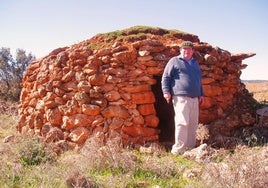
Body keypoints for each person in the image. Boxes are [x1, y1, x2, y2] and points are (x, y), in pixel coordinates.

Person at [161, 41, 205, 155]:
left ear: (193, 51)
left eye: (189, 49)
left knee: (193, 124)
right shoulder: (174, 61)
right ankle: (178, 150)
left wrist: (201, 94)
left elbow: (198, 81)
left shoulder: (195, 63)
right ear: (180, 50)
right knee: (182, 122)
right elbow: (166, 77)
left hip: (195, 98)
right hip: (181, 97)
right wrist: (166, 92)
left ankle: (190, 150)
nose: (187, 51)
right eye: (184, 49)